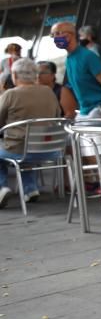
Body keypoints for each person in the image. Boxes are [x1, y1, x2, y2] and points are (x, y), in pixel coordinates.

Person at [51, 21, 101, 195]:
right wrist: (70, 111)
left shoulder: (88, 56)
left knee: (85, 141)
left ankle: (100, 182)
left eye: (58, 34)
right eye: (53, 35)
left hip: (98, 108)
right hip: (84, 110)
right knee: (68, 143)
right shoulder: (69, 58)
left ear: (69, 34)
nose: (55, 38)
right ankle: (85, 180)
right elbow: (71, 87)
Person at [0, 58, 63, 207]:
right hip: (50, 150)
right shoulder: (48, 92)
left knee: (14, 146)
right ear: (35, 75)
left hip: (20, 150)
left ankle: (1, 188)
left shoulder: (10, 94)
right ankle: (30, 189)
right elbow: (57, 116)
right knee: (24, 144)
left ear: (14, 75)